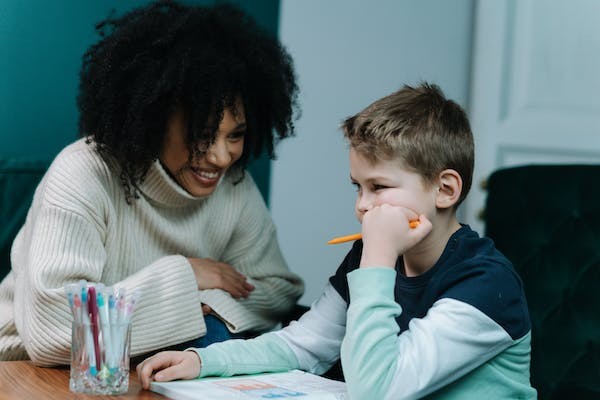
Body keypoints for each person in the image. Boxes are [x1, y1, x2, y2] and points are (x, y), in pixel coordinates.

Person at [136, 83, 537, 399]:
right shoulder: (371, 256)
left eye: (379, 187)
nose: (363, 206)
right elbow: (304, 344)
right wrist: (203, 361)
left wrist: (378, 258)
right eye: (357, 187)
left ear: (445, 190)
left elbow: (377, 391)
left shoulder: (486, 284)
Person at [0, 0, 304, 365]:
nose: (221, 158)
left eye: (235, 135)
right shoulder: (83, 173)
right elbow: (57, 333)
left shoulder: (233, 187)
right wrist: (186, 275)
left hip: (150, 373)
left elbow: (276, 291)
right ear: (152, 120)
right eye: (202, 135)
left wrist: (206, 307)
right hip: (26, 373)